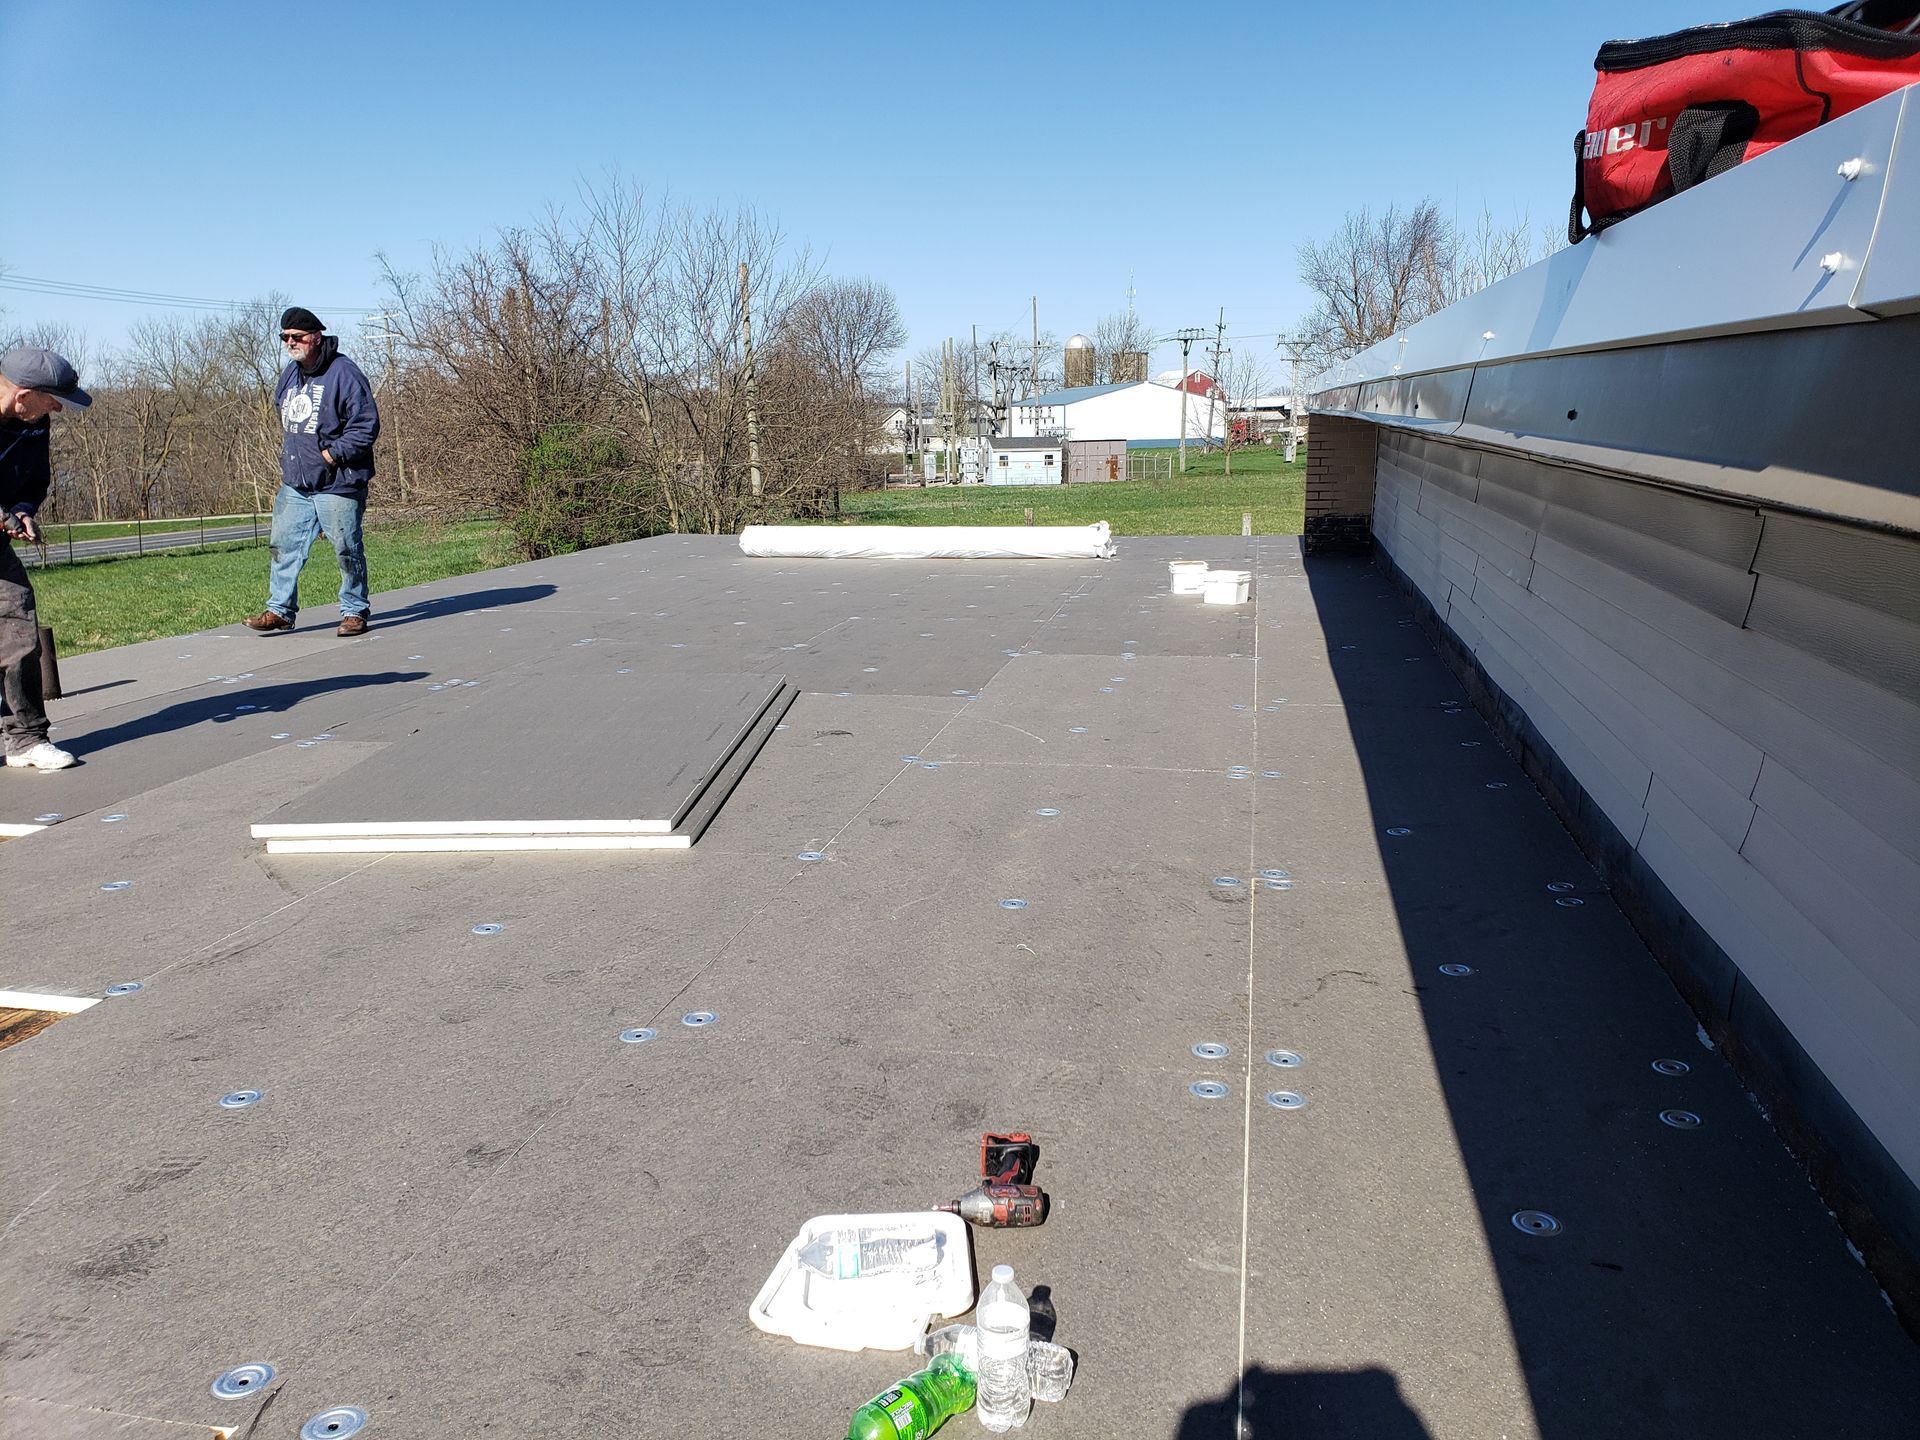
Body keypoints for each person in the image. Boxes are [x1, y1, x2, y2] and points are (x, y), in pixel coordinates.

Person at [243, 306, 380, 637]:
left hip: (339, 483)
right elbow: (283, 410)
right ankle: (279, 610)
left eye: (297, 336)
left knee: (346, 549)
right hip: (296, 484)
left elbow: (366, 424)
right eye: (285, 337)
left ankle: (354, 611)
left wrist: (331, 455)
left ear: (316, 337)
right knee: (283, 547)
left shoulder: (344, 373)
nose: (290, 342)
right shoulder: (290, 374)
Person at [0, 346, 92, 772]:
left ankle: (26, 739)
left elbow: (36, 479)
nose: (57, 409)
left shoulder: (34, 422)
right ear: (23, 396)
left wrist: (22, 511)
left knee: (18, 625)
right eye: (52, 400)